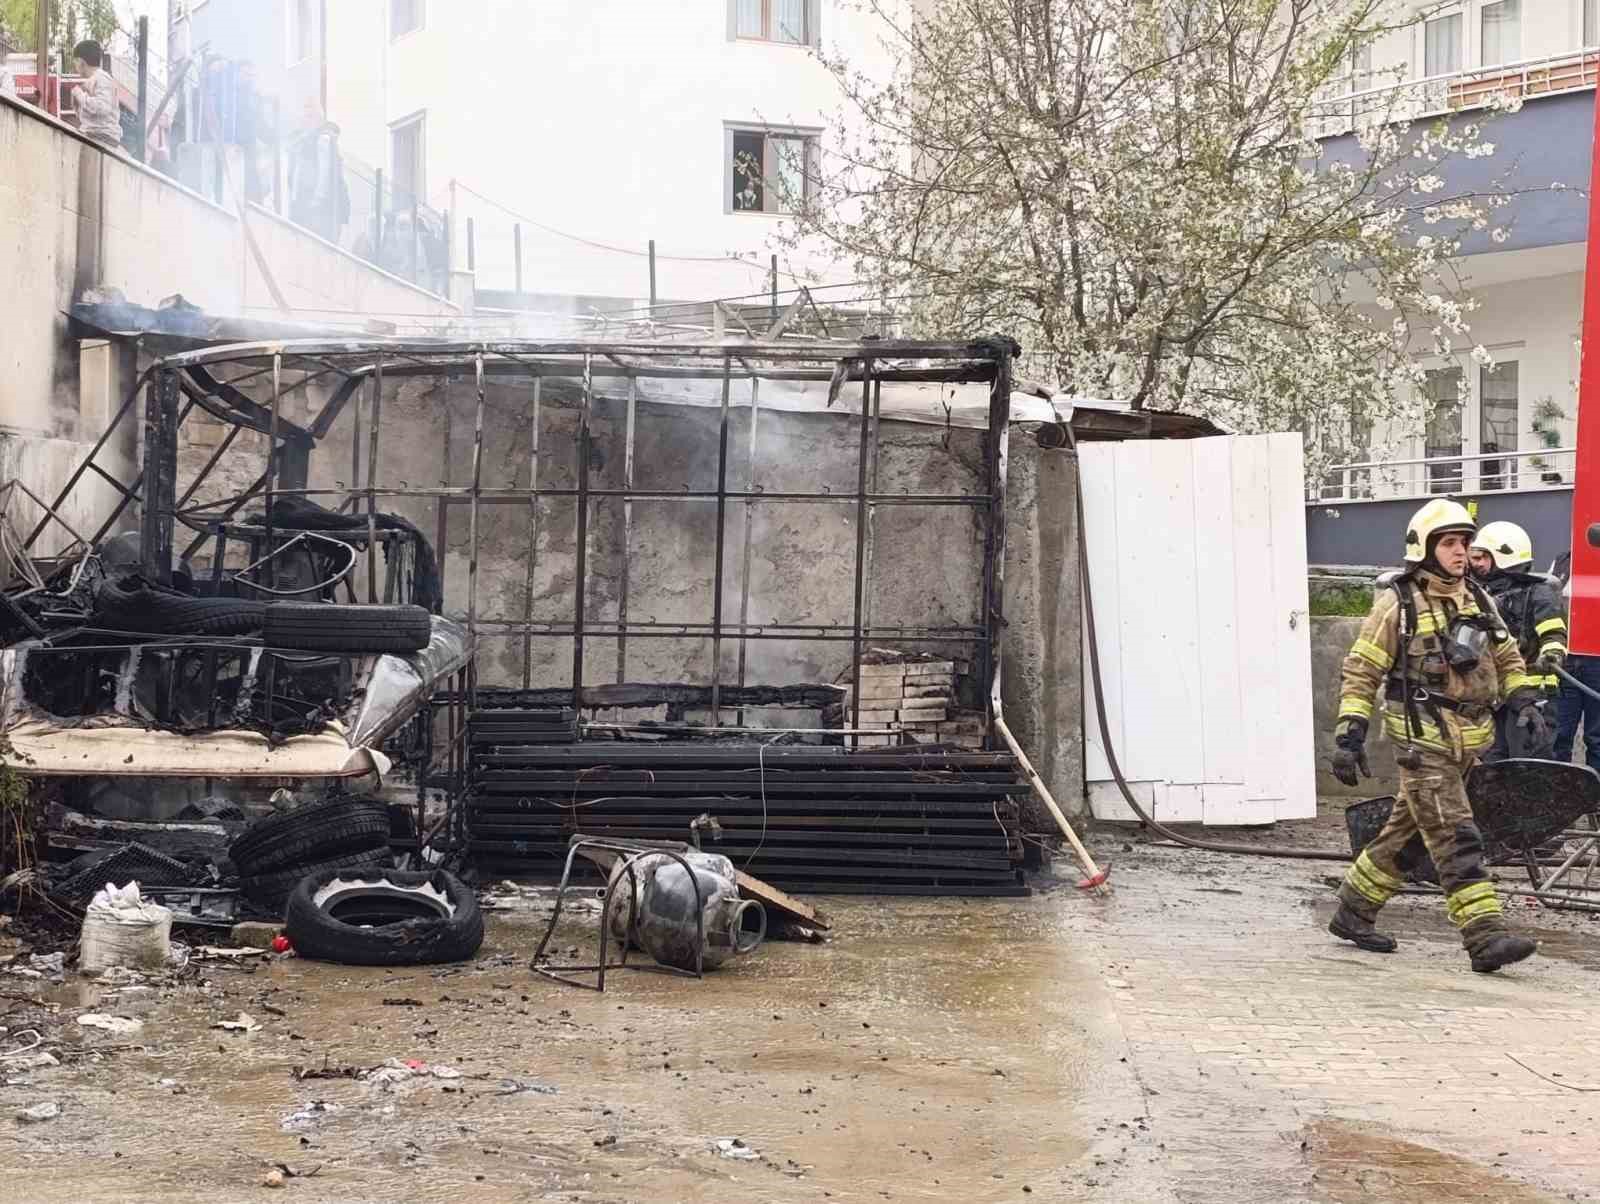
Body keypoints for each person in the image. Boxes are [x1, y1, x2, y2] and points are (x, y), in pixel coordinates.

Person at [1328, 497, 1544, 973]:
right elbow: (1362, 670)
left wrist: (1524, 701)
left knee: (1406, 838)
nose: (1461, 552)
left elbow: (1507, 658)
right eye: (1449, 543)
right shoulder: (1398, 603)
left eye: (1465, 542)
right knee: (1455, 835)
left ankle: (1353, 911)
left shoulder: (1479, 598)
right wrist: (1350, 732)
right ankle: (1484, 937)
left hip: (1467, 740)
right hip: (1422, 743)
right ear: (1423, 547)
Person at [1470, 521, 1565, 762]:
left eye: (1482, 557)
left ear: (1504, 556)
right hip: (1496, 698)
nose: (1476, 563)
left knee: (1528, 768)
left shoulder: (1540, 593)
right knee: (1492, 767)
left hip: (1533, 698)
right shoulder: (1480, 595)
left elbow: (1554, 634)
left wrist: (1551, 655)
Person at [288, 101, 350, 245]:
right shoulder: (302, 141)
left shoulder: (322, 139)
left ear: (318, 120)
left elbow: (325, 173)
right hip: (303, 206)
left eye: (309, 116)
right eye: (303, 117)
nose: (304, 120)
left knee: (317, 246)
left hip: (318, 209)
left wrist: (317, 201)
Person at [73, 40, 122, 151]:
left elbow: (103, 107)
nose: (75, 65)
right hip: (96, 135)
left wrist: (80, 95)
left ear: (81, 62)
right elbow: (90, 115)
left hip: (102, 136)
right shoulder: (94, 79)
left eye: (75, 62)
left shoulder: (101, 78)